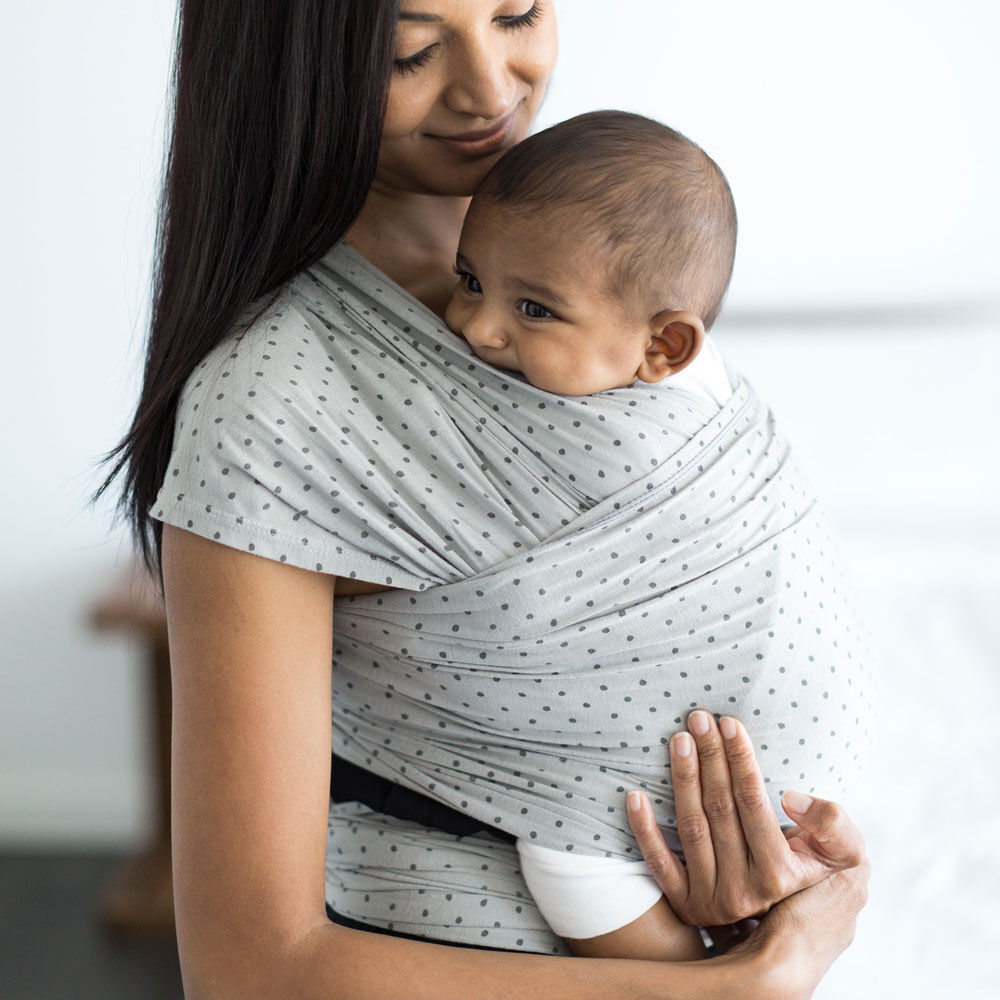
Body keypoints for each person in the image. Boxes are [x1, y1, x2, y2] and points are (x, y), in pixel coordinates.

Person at [100, 3, 870, 997]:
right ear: (294, 67)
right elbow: (253, 968)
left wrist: (770, 869)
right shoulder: (275, 401)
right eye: (409, 52)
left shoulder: (604, 251)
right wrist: (738, 984)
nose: (491, 88)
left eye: (516, 12)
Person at [440, 109, 874, 958]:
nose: (477, 328)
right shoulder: (673, 364)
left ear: (665, 347)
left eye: (533, 308)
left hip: (730, 771)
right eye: (469, 279)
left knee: (568, 856)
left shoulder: (623, 435)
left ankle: (673, 976)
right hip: (789, 759)